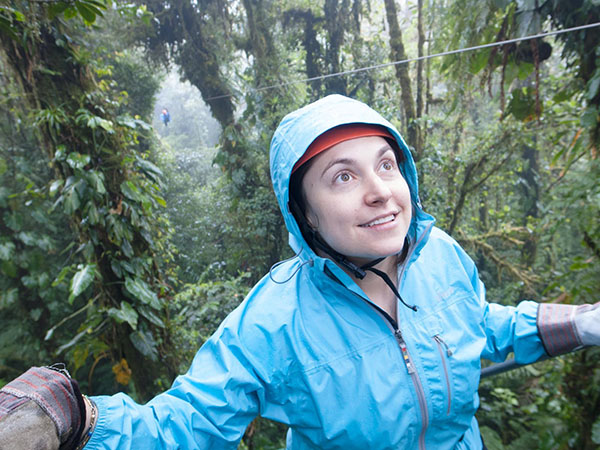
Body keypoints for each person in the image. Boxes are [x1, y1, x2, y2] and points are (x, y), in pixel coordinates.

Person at [1, 94, 599, 449]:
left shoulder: (441, 256)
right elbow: (188, 422)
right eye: (343, 176)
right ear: (304, 213)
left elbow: (482, 328)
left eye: (386, 164)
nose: (379, 192)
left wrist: (580, 322)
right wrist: (80, 419)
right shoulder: (274, 320)